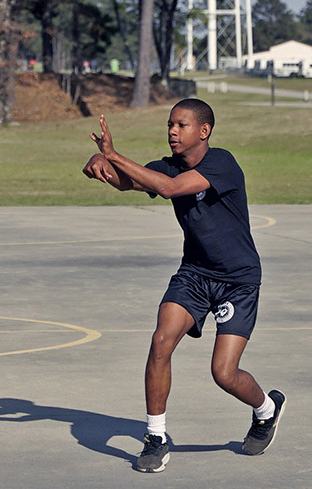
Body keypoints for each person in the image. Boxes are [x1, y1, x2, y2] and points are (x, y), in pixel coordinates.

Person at [82, 98, 286, 473]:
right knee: (161, 341)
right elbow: (129, 182)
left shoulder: (222, 163)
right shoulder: (168, 165)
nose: (172, 131)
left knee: (223, 373)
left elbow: (171, 189)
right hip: (194, 274)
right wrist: (102, 165)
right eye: (169, 125)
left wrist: (113, 154)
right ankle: (155, 438)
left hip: (237, 281)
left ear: (203, 131)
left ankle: (266, 409)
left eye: (181, 125)